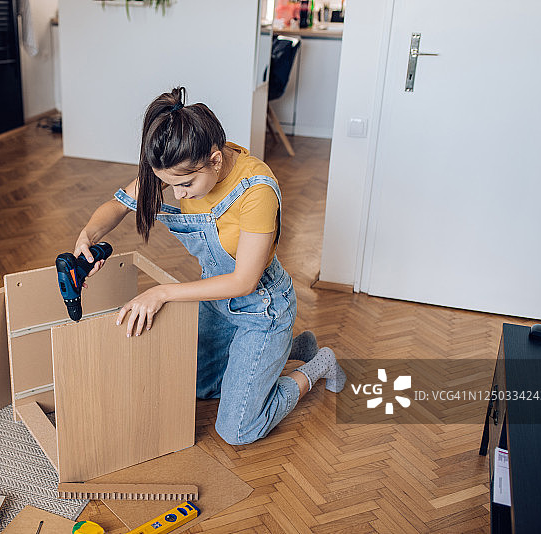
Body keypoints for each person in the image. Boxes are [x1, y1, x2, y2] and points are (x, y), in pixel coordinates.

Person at [74, 87, 345, 445]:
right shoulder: (179, 162)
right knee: (202, 386)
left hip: (262, 307)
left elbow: (244, 281)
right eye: (169, 185)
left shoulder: (256, 190)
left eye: (185, 185)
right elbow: (118, 206)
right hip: (214, 299)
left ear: (215, 161)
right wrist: (87, 234)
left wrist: (163, 293)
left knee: (236, 430)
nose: (178, 194)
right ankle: (290, 349)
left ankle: (318, 364)